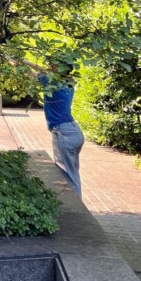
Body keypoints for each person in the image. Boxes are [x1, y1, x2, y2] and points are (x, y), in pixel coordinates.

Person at [18, 55, 85, 197]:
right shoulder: (68, 81)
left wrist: (8, 59)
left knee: (66, 176)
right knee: (73, 174)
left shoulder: (51, 83)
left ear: (60, 69)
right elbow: (42, 70)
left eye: (54, 65)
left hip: (63, 133)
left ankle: (76, 210)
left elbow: (28, 71)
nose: (50, 66)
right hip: (74, 132)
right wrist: (23, 59)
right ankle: (78, 206)